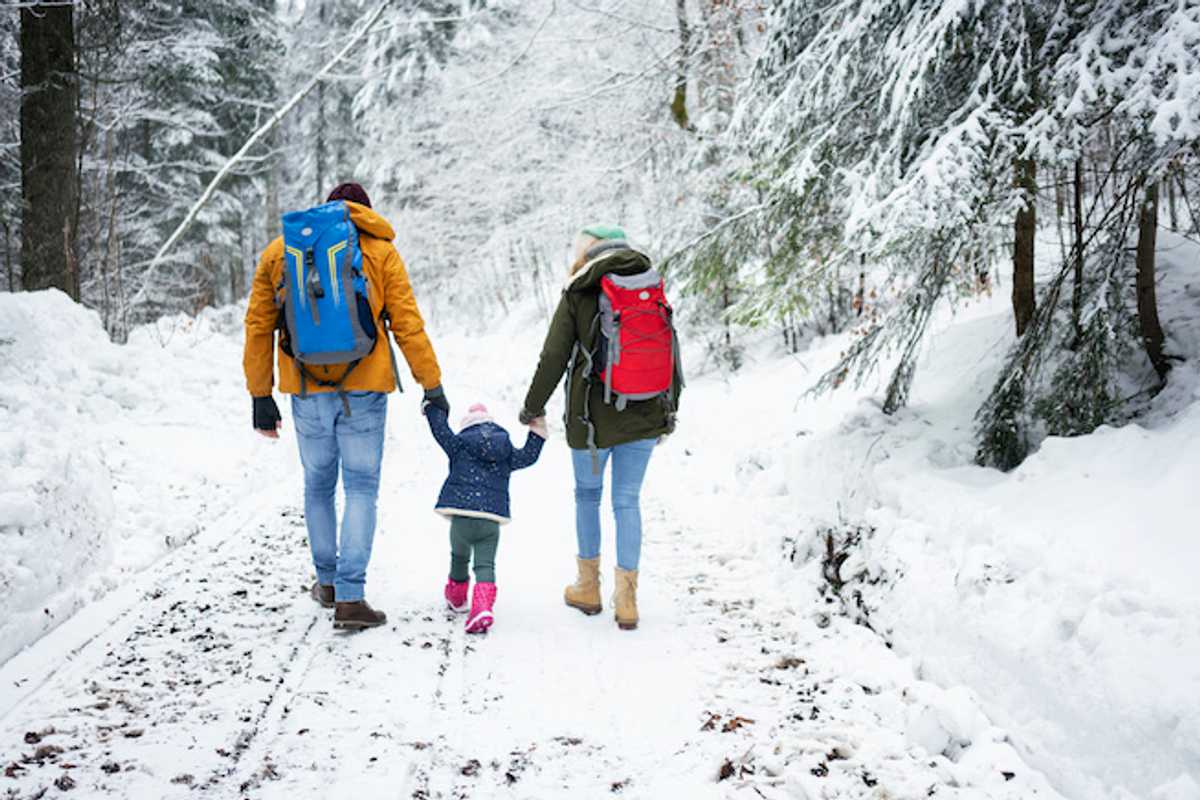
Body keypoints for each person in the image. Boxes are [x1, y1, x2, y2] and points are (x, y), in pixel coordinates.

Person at [243, 182, 447, 631]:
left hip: (305, 385)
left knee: (318, 484)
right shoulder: (379, 251)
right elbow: (407, 322)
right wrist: (431, 384)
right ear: (363, 213)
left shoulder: (283, 252)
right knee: (360, 487)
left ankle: (327, 583)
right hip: (365, 388)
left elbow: (258, 324)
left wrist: (261, 392)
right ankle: (352, 597)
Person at [519, 225, 682, 630]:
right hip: (645, 412)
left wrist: (532, 408)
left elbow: (554, 356)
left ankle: (587, 588)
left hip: (590, 422)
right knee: (627, 501)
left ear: (587, 251)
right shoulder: (649, 284)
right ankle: (627, 601)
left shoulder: (580, 290)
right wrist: (669, 411)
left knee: (587, 497)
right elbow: (672, 349)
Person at [423, 402, 546, 633]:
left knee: (459, 557)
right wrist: (537, 428)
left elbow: (441, 431)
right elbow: (528, 456)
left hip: (462, 516)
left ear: (468, 426)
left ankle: (457, 598)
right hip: (491, 518)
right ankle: (481, 607)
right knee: (485, 564)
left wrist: (432, 408)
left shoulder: (459, 444)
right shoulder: (505, 449)